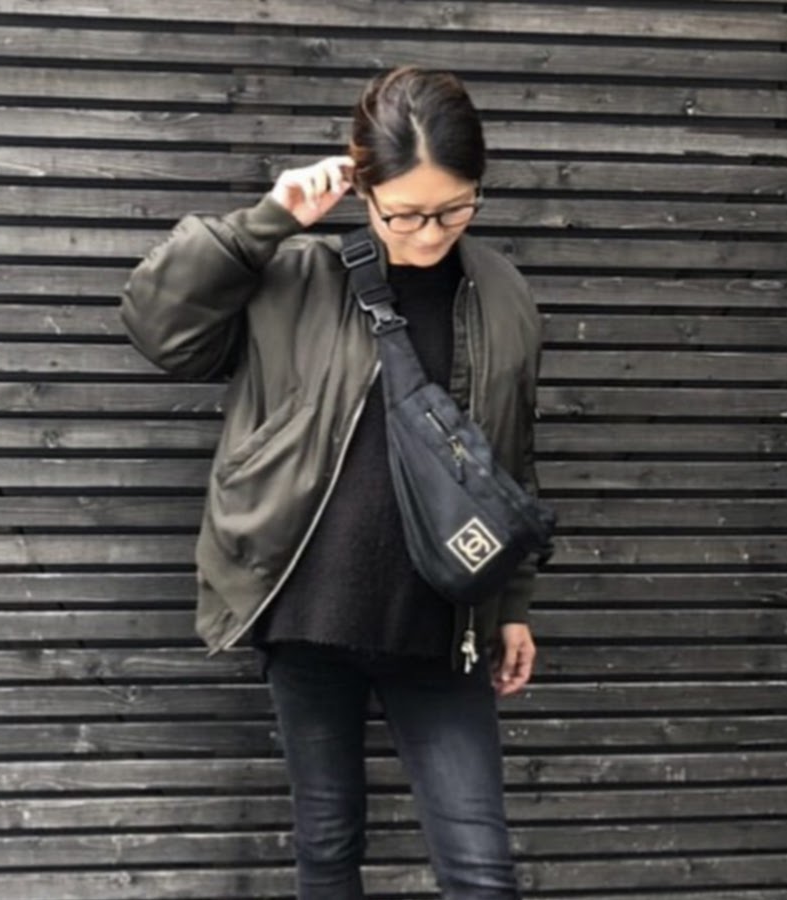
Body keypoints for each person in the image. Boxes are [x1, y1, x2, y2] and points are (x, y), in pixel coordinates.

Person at [121, 66, 543, 900]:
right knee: (327, 845)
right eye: (406, 213)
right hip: (308, 614)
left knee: (481, 869)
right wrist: (267, 221)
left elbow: (507, 459)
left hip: (443, 620)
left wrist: (513, 603)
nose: (431, 233)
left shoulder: (502, 292)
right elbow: (160, 330)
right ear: (365, 188)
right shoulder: (296, 275)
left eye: (455, 209)